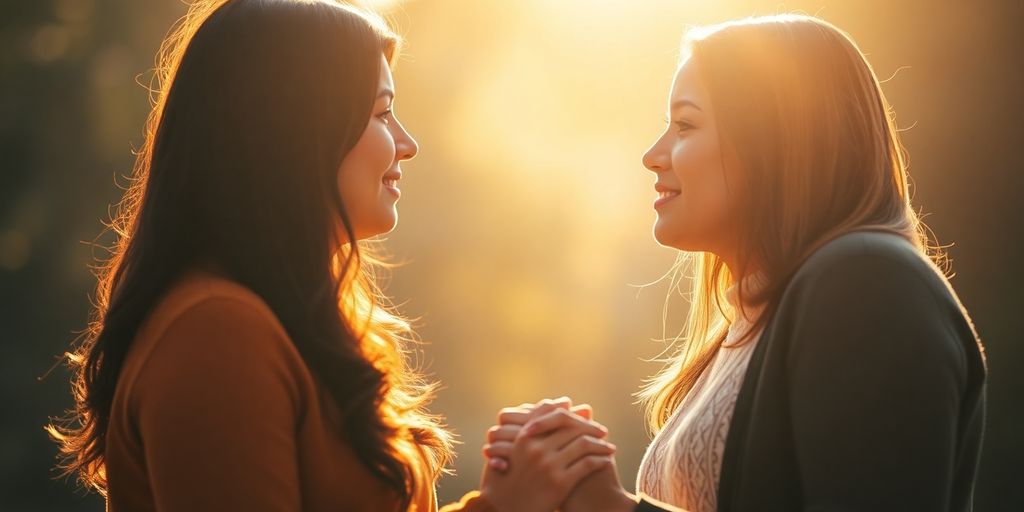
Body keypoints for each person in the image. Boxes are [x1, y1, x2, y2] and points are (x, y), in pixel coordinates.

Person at [46, 1, 615, 510]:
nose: (407, 143)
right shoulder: (216, 329)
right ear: (297, 129)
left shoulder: (291, 319)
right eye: (381, 112)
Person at [489, 14, 987, 512]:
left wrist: (612, 507)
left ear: (775, 136)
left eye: (685, 125)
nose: (652, 155)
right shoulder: (753, 320)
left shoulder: (868, 280)